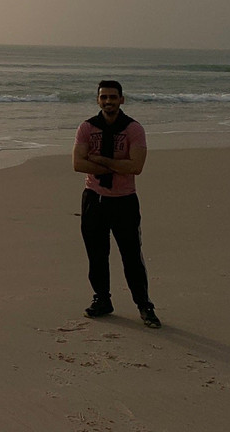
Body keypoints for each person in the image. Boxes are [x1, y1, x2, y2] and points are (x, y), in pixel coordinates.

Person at [72, 80, 161, 328]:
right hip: (94, 199)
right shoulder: (87, 128)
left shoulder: (133, 129)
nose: (108, 101)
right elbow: (78, 164)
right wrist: (116, 165)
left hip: (124, 201)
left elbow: (136, 167)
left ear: (122, 99)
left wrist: (99, 159)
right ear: (98, 100)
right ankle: (102, 299)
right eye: (104, 97)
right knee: (96, 255)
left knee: (132, 256)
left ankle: (144, 305)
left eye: (113, 97)